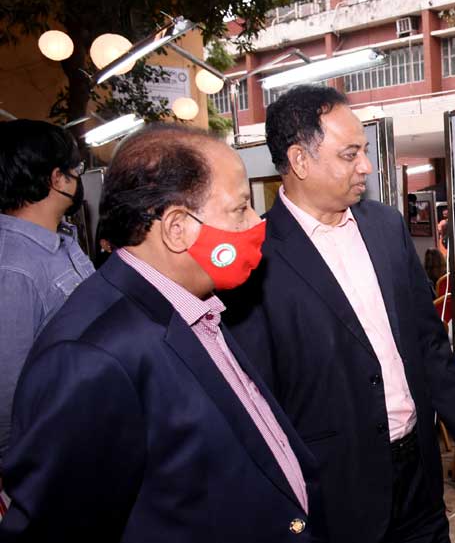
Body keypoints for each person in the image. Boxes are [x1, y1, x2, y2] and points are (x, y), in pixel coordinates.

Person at [0, 125, 324, 541]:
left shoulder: (191, 303)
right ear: (176, 228)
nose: (255, 222)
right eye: (240, 208)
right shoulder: (92, 358)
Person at [225, 85, 455, 543]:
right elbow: (258, 401)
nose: (367, 166)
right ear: (300, 160)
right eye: (350, 154)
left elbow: (428, 343)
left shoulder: (385, 226)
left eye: (363, 151)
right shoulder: (256, 259)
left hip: (419, 477)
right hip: (337, 494)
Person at [0, 120, 94, 469]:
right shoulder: (13, 267)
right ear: (57, 178)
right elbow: (6, 387)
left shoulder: (62, 241)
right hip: (49, 454)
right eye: (76, 169)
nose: (78, 179)